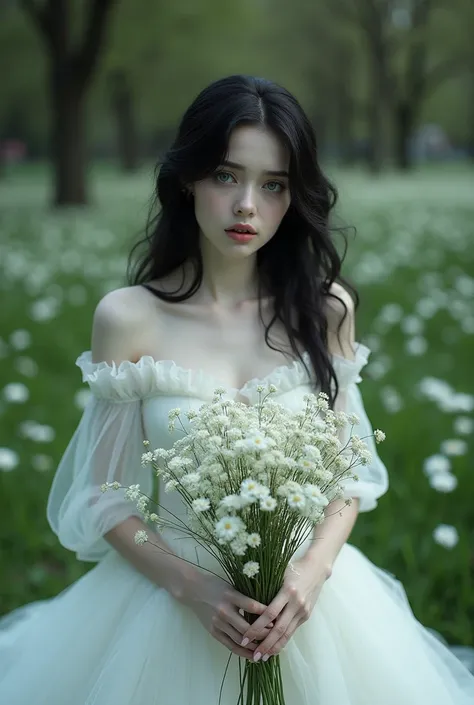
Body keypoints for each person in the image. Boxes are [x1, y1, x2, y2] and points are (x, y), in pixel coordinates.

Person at [0, 74, 472, 705]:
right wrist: (191, 588)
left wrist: (311, 571)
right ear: (188, 179)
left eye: (273, 185)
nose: (247, 204)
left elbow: (349, 475)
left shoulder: (324, 310)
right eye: (226, 176)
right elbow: (105, 498)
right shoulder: (129, 318)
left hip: (306, 602)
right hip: (171, 605)